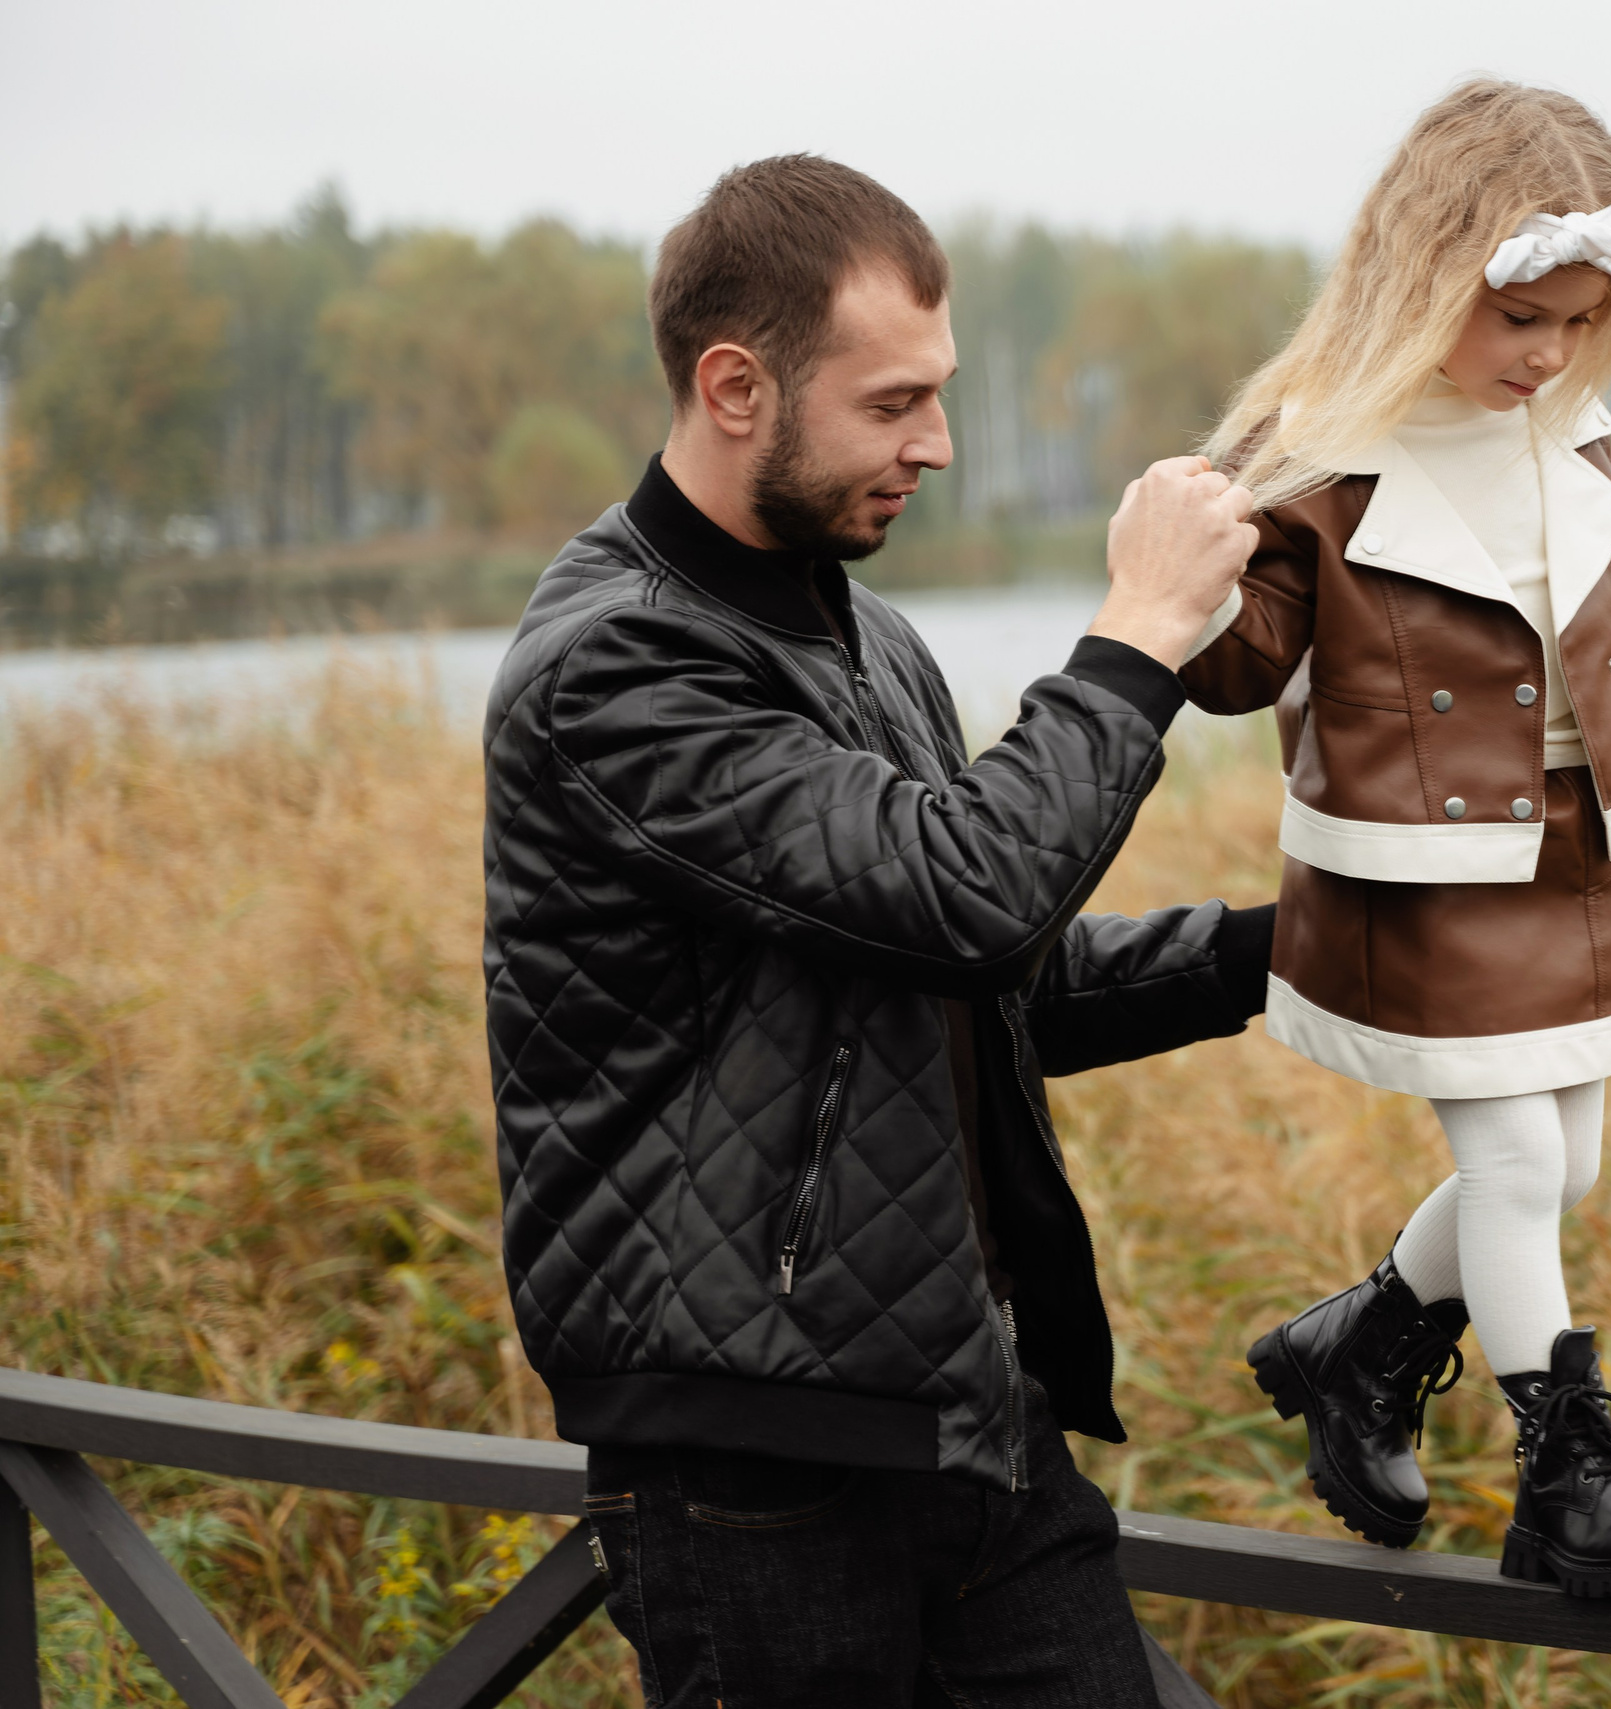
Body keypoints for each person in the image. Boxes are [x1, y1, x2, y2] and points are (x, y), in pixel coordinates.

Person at [483, 155, 1265, 1705]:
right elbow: (970, 888)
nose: (940, 444)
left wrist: (1284, 948)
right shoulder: (614, 667)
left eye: (940, 394)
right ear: (735, 386)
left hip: (966, 1412)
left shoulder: (867, 634)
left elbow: (978, 974)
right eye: (894, 402)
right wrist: (1144, 630)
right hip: (750, 1469)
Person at [1178, 82, 1611, 1598]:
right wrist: (1188, 576)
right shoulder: (1324, 455)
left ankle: (1359, 1341)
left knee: (1567, 1160)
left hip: (1566, 848)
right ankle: (1567, 1474)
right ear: (1424, 280)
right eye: (1519, 321)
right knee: (1508, 1158)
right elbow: (1239, 661)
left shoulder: (1563, 426)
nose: (1546, 352)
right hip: (1416, 860)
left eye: (1573, 321)